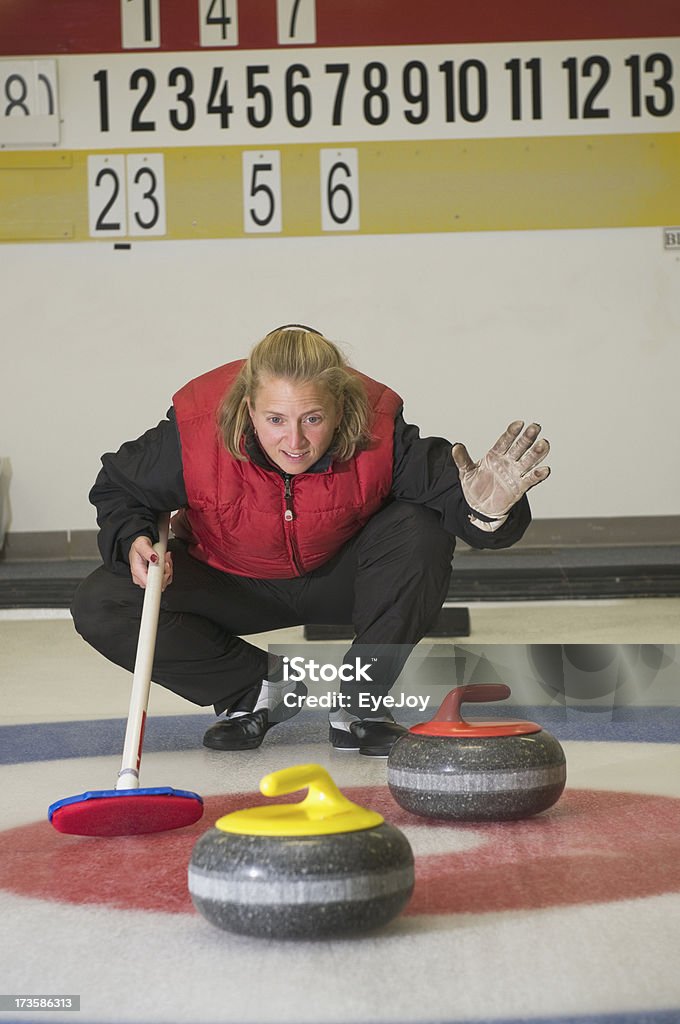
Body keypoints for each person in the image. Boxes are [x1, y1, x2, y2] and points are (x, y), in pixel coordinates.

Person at [72, 324, 550, 757]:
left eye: (313, 419)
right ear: (247, 409)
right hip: (231, 580)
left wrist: (490, 511)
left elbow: (462, 501)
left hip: (341, 578)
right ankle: (256, 690)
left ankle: (360, 703)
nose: (295, 442)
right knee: (103, 601)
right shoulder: (196, 431)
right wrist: (133, 535)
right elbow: (119, 486)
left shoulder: (379, 432)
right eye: (276, 420)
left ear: (340, 410)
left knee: (423, 527)